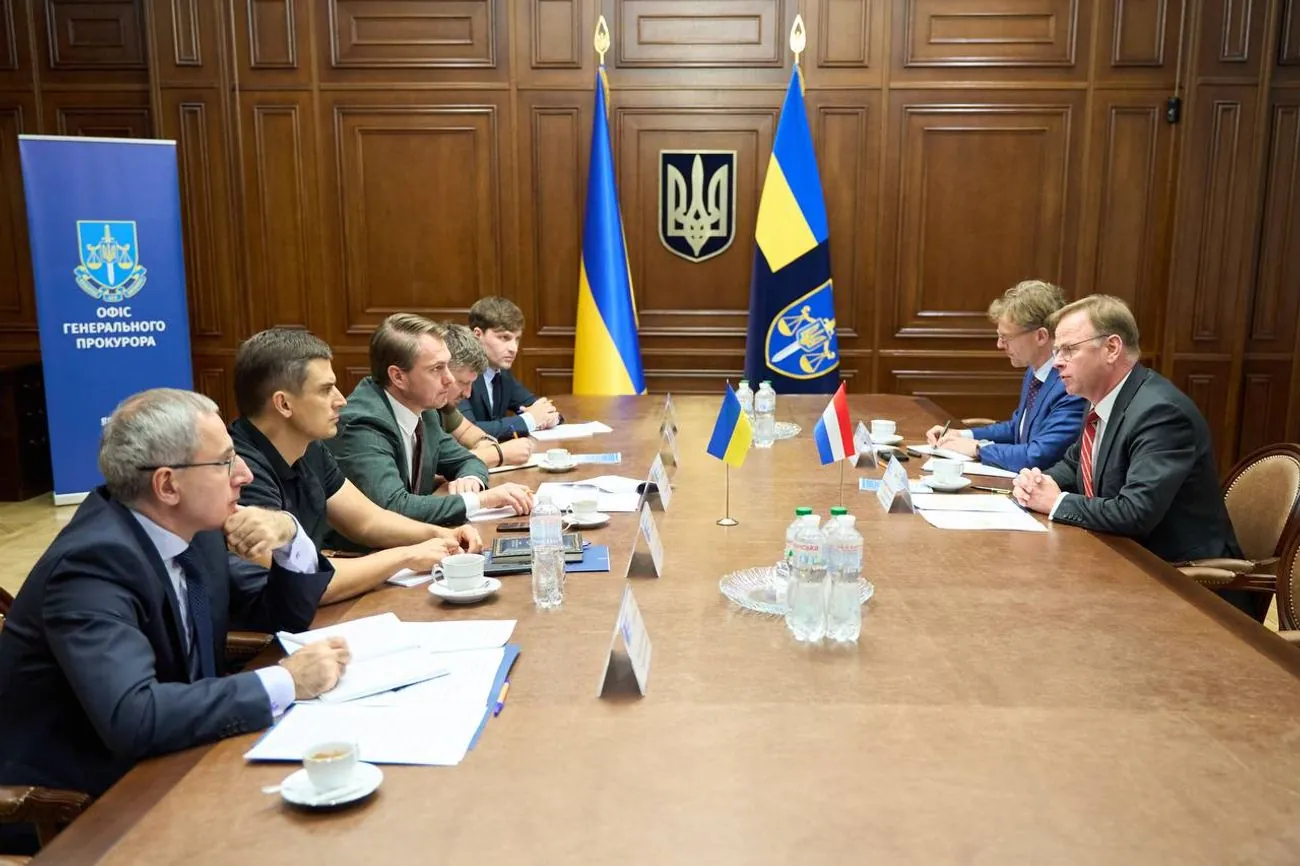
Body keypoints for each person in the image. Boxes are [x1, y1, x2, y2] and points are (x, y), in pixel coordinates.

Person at [0, 389, 348, 833]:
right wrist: (287, 681)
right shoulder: (92, 565)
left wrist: (290, 535)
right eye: (225, 462)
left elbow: (280, 616)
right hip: (78, 808)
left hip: (183, 758)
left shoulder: (190, 530)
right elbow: (134, 716)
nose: (243, 474)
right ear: (167, 485)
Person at [1010, 296, 1255, 616]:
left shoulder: (1160, 413)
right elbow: (1074, 464)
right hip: (1122, 562)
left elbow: (1135, 512)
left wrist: (1055, 502)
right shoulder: (1102, 398)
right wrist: (1038, 482)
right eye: (1057, 351)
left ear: (1112, 348)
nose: (1057, 362)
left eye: (1068, 350)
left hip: (1185, 585)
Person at [230, 328, 480, 604]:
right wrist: (405, 556)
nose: (341, 400)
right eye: (326, 390)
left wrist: (443, 534)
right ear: (284, 404)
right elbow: (297, 581)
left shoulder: (309, 446)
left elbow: (367, 521)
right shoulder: (241, 473)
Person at [325, 314, 532, 536]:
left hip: (417, 541)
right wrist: (482, 500)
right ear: (398, 377)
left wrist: (469, 480)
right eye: (437, 368)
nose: (449, 379)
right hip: (363, 553)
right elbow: (394, 507)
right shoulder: (362, 425)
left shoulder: (425, 409)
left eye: (447, 366)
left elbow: (467, 460)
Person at [926, 280, 1086, 473]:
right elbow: (1017, 429)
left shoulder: (1069, 384)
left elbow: (1038, 455)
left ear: (1041, 336)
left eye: (1006, 337)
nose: (1000, 345)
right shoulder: (1035, 371)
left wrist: (978, 449)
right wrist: (962, 435)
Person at [459, 296, 561, 439]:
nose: (514, 348)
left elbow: (541, 407)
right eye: (504, 338)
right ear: (477, 335)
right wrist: (530, 419)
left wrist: (549, 416)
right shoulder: (459, 374)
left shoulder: (502, 373)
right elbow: (468, 431)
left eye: (517, 339)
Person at [439, 322, 535, 468]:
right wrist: (499, 454)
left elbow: (467, 431)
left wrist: (485, 443)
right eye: (463, 382)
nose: (468, 393)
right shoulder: (427, 403)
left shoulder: (444, 406)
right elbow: (437, 467)